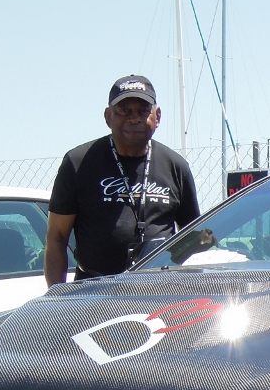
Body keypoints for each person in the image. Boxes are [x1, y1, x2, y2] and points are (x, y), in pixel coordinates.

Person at [45, 75, 201, 285]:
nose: (134, 118)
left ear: (157, 116)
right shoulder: (78, 162)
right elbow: (57, 237)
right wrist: (56, 297)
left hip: (160, 290)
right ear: (108, 116)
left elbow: (193, 237)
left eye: (142, 111)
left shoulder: (176, 166)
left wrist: (174, 267)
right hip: (95, 289)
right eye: (124, 110)